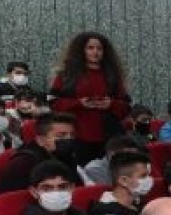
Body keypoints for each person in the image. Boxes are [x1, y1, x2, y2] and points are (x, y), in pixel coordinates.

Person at [48, 31, 132, 164]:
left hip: (109, 137)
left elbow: (126, 106)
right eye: (90, 48)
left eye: (99, 48)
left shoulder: (112, 76)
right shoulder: (67, 75)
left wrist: (111, 104)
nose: (95, 52)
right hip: (76, 136)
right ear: (81, 50)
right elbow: (52, 102)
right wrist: (78, 103)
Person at [0, 112, 82, 193]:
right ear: (41, 140)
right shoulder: (24, 163)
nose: (69, 139)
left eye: (72, 135)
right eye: (61, 136)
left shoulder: (67, 156)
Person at [90, 150, 154, 215]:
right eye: (143, 176)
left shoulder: (142, 205)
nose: (149, 180)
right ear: (123, 181)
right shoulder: (104, 211)